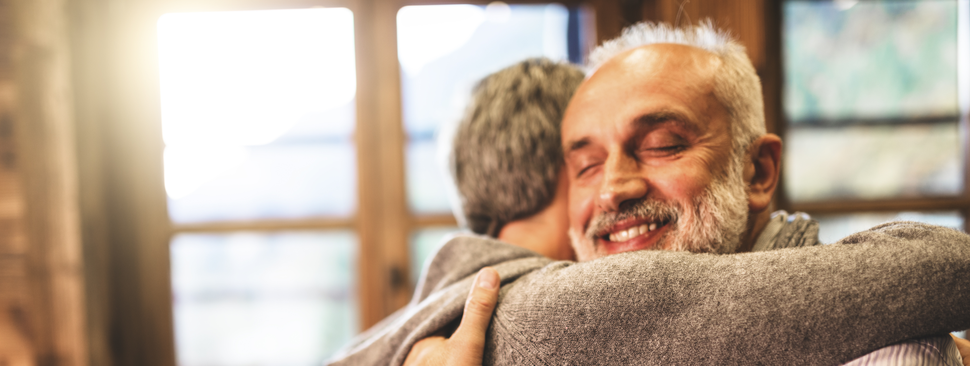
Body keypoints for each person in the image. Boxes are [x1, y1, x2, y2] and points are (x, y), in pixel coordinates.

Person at [327, 23, 970, 366]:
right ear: (556, 177)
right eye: (586, 163)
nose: (614, 187)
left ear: (759, 170)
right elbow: (938, 266)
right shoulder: (532, 312)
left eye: (661, 144)